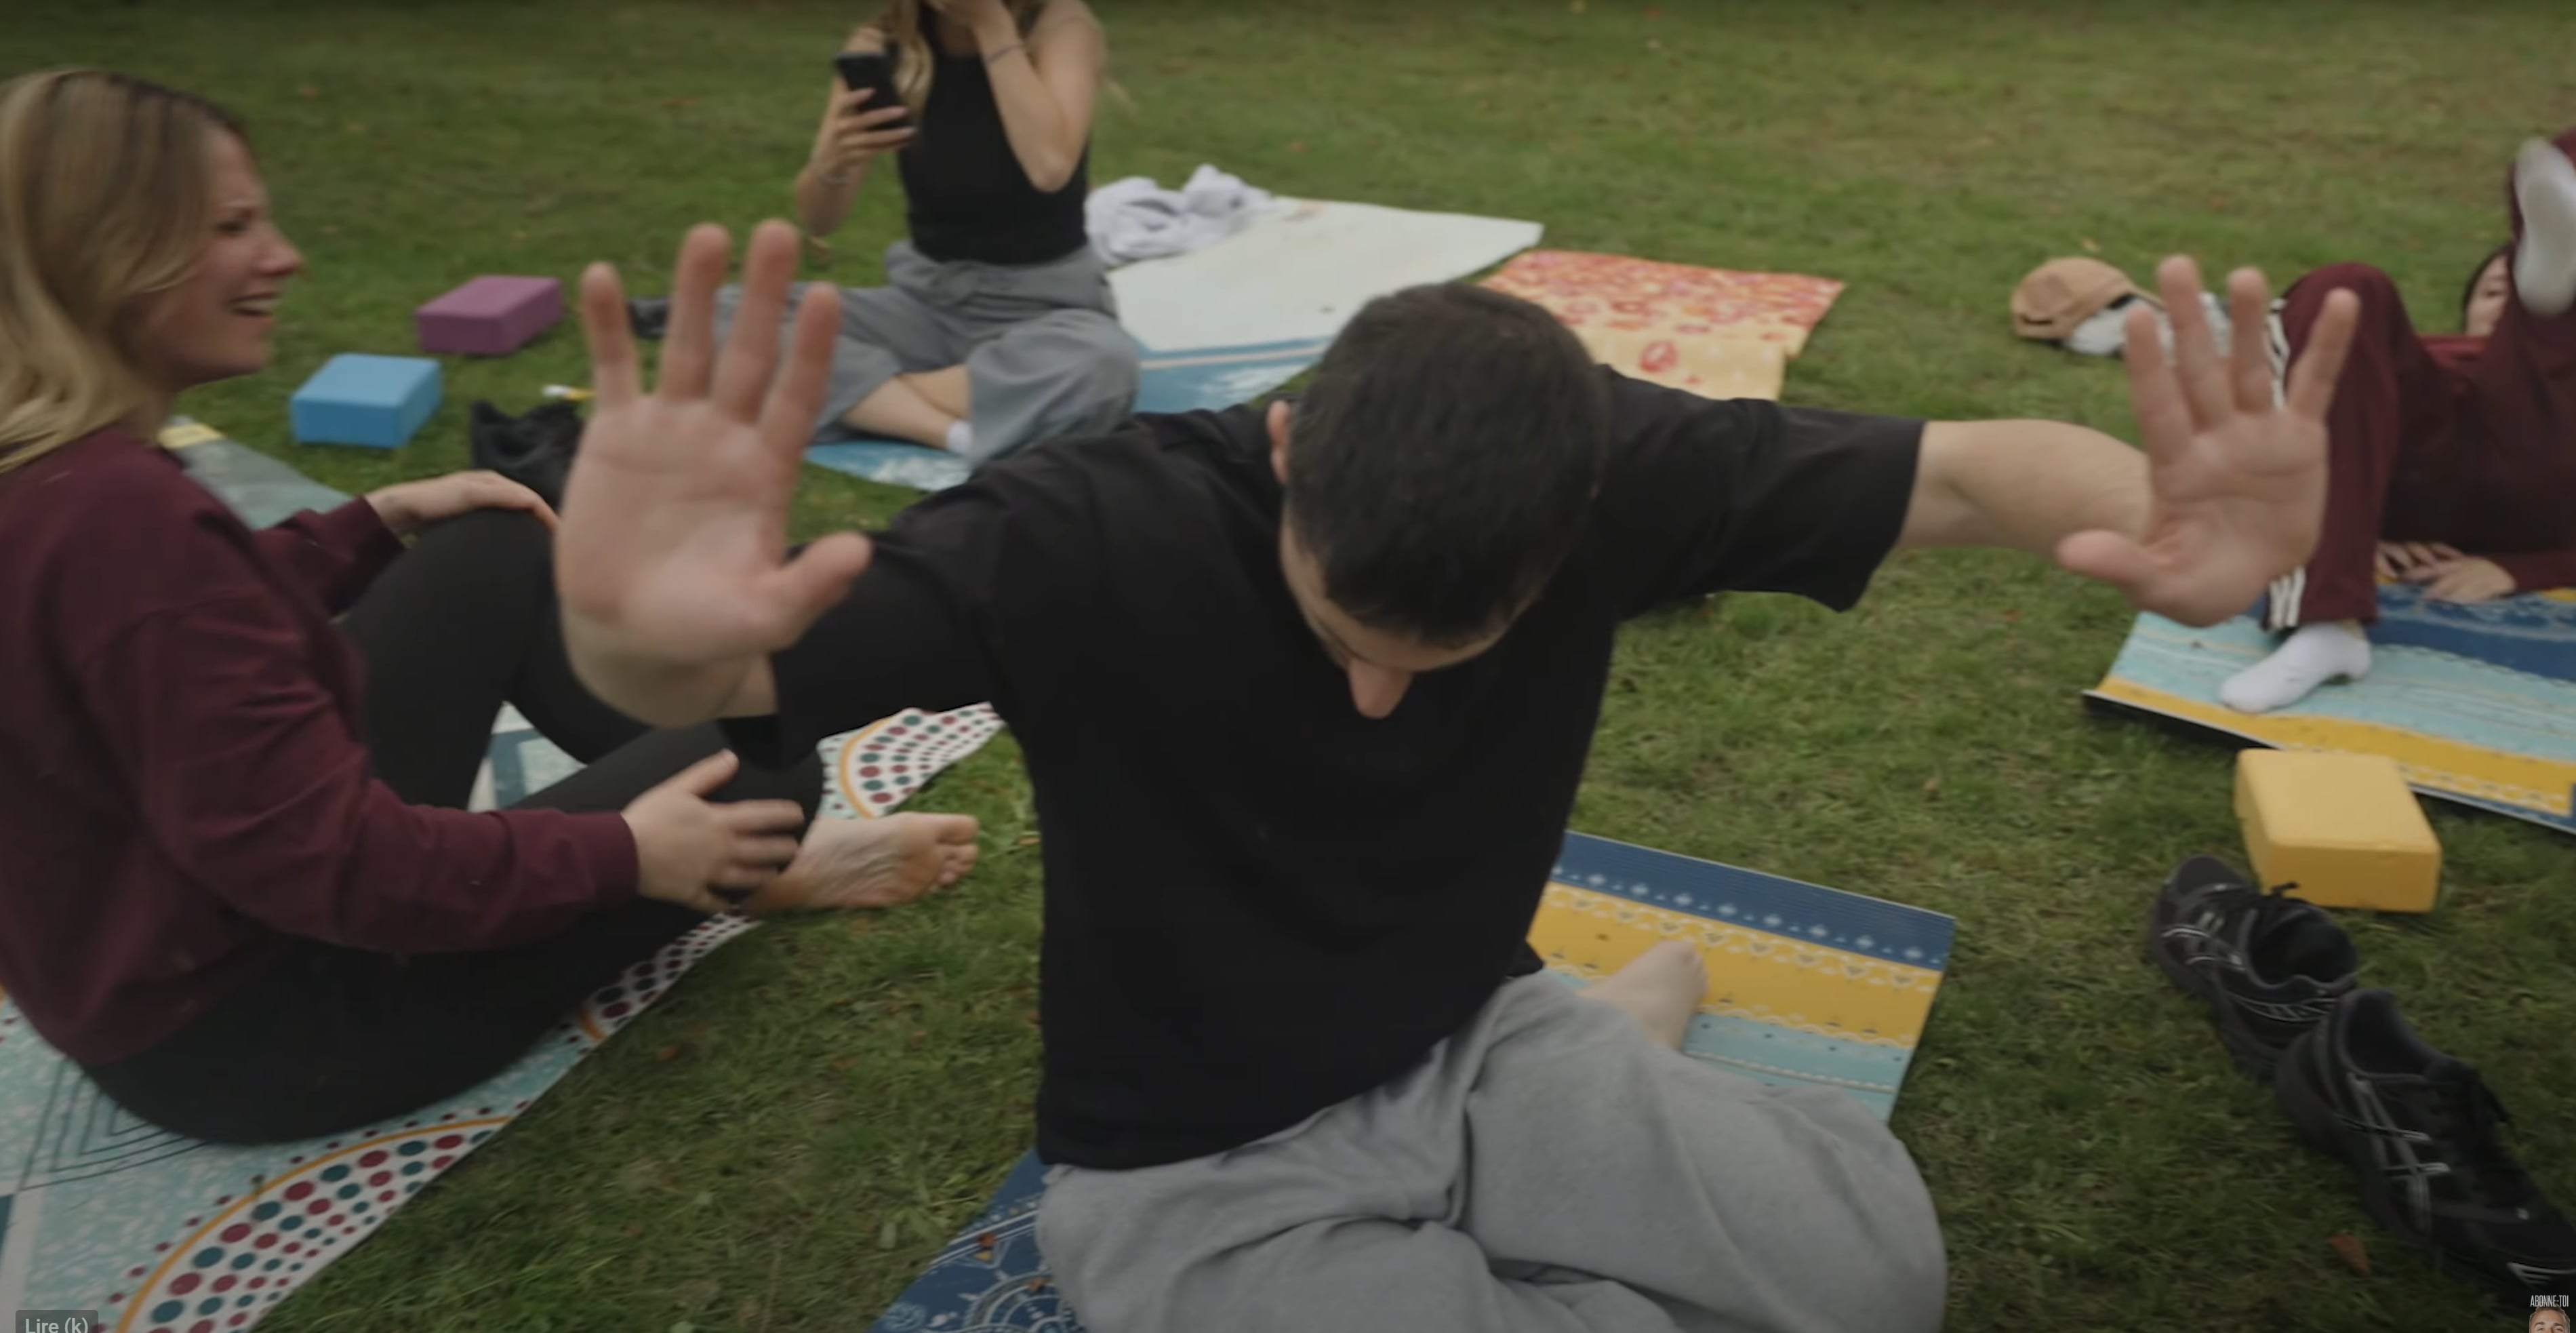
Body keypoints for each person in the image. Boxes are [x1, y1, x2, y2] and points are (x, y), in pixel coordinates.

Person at [554, 218, 2357, 1332]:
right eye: (1343, 625)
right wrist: (634, 630)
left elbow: (1967, 469)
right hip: (1194, 1156)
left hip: (1475, 1031)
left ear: (1581, 525)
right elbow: (699, 674)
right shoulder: (1078, 533)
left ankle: (1586, 1063)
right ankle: (1593, 1081)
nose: (1373, 693)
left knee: (1883, 1271)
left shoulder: (1619, 465)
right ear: (1285, 448)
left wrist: (2159, 510)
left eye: (1441, 651)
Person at [0, 71, 981, 1146]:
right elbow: (330, 863)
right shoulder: (124, 522)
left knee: (492, 545)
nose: (284, 256)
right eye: (233, 227)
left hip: (195, 922)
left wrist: (369, 523)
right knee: (762, 771)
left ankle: (690, 847)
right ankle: (712, 862)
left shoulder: (62, 480)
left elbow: (170, 645)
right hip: (271, 1022)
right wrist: (624, 853)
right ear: (110, 251)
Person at [2221, 130, 2576, 713]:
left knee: (2553, 357)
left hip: (2545, 476)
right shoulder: (2420, 363)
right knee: (2346, 292)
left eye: (2516, 292)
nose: (2502, 305)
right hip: (2425, 471)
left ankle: (2552, 288)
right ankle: (2327, 624)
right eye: (2497, 291)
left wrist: (2528, 569)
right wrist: (2354, 525)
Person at [715, 0, 1135, 465]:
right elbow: (820, 221)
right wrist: (833, 162)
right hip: (926, 302)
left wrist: (991, 26)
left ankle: (854, 397)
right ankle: (948, 430)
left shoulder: (1059, 25)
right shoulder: (882, 44)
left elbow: (1050, 169)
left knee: (1103, 367)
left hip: (1044, 307)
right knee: (730, 312)